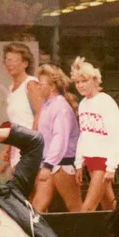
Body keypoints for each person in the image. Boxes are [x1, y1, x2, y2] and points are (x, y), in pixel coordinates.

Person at [71, 56, 119, 211]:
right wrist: (79, 163)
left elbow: (117, 135)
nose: (80, 85)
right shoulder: (83, 104)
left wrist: (111, 166)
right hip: (90, 160)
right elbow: (85, 135)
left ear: (95, 81)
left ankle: (79, 235)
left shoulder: (105, 102)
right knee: (109, 205)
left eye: (84, 81)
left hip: (104, 161)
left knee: (87, 209)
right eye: (77, 82)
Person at [30, 63, 82, 213]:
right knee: (37, 206)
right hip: (49, 164)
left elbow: (60, 138)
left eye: (41, 84)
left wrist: (48, 165)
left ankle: (87, 236)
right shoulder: (48, 106)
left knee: (76, 208)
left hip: (62, 165)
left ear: (52, 86)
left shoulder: (61, 107)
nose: (38, 87)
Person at [0, 42, 45, 173]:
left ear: (25, 64)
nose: (9, 64)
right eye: (7, 60)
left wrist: (30, 141)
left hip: (30, 145)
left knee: (21, 189)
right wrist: (8, 149)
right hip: (19, 145)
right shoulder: (11, 88)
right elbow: (16, 124)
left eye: (13, 60)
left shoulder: (30, 83)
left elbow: (40, 113)